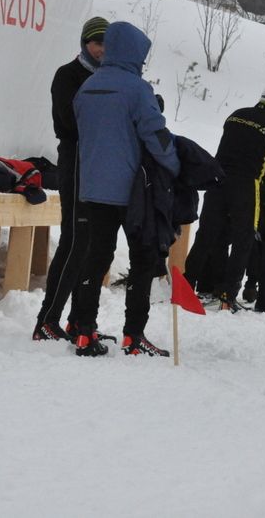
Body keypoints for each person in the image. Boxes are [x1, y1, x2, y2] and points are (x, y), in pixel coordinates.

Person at [70, 21, 180, 357]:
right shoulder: (137, 90)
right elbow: (156, 136)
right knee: (143, 259)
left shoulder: (86, 88)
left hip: (92, 188)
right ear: (133, 52)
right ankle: (134, 336)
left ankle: (84, 331)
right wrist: (174, 165)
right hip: (133, 192)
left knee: (96, 256)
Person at [32, 16, 109, 342]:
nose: (101, 49)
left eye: (107, 44)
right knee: (75, 241)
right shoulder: (69, 75)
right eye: (96, 43)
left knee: (92, 246)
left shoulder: (112, 78)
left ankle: (79, 321)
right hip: (76, 161)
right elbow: (68, 121)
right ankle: (47, 320)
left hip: (101, 167)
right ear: (84, 44)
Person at [183, 82, 265, 311]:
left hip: (217, 179)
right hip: (246, 185)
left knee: (207, 236)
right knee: (243, 240)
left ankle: (185, 286)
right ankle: (227, 295)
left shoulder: (236, 115)